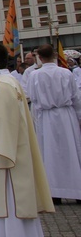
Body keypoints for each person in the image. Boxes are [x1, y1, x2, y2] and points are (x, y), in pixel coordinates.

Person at [0, 42, 54, 236]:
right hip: (13, 149)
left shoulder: (0, 86)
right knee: (15, 204)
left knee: (7, 204)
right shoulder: (9, 81)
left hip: (3, 157)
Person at [24, 44, 81, 203]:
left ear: (39, 58)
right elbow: (76, 96)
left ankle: (54, 193)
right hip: (65, 115)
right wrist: (78, 116)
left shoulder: (35, 75)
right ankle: (76, 190)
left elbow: (33, 98)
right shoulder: (66, 73)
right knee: (70, 151)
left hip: (47, 117)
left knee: (50, 153)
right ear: (54, 56)